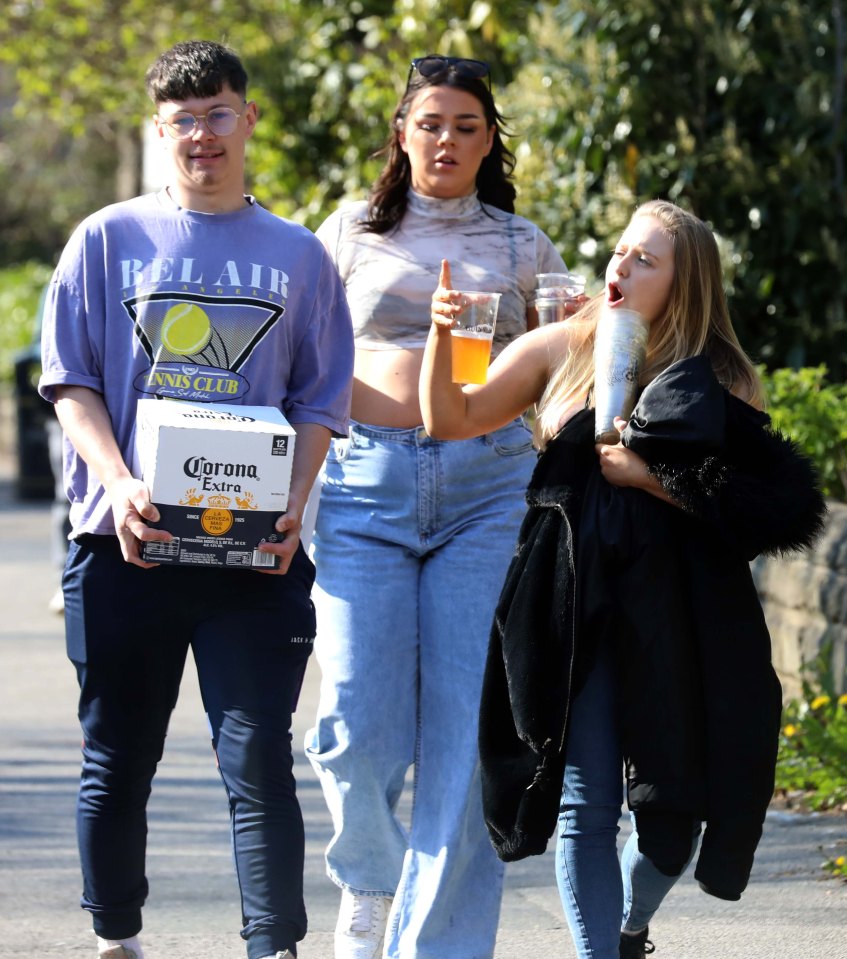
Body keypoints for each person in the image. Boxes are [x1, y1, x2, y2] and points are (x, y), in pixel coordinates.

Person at [420, 200, 826, 959]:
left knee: (674, 817)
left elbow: (758, 507)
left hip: (681, 609)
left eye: (645, 259)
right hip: (574, 602)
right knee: (586, 804)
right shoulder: (563, 345)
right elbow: (451, 417)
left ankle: (629, 925)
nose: (620, 266)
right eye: (620, 251)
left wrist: (650, 476)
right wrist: (443, 337)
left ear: (685, 282)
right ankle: (598, 952)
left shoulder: (721, 376)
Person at [38, 40, 353, 959]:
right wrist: (122, 482)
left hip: (253, 557)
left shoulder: (298, 256)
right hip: (123, 543)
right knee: (118, 758)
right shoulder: (105, 240)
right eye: (182, 120)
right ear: (160, 129)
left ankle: (275, 946)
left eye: (218, 114)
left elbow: (319, 399)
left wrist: (295, 500)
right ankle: (116, 935)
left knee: (259, 759)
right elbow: (70, 381)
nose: (201, 135)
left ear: (247, 119)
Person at [303, 55, 569, 959]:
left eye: (465, 124)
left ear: (489, 137)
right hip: (365, 482)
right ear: (401, 131)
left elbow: (561, 365)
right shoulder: (345, 230)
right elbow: (301, 353)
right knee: (352, 715)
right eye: (430, 123)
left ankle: (440, 945)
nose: (446, 139)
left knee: (467, 726)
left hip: (486, 488)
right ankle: (369, 883)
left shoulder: (522, 243)